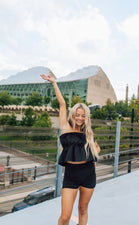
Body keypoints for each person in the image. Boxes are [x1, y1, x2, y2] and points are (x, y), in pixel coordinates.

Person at [41, 72, 100, 225]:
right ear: (73, 115)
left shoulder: (88, 133)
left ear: (86, 117)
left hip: (88, 174)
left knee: (82, 210)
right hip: (71, 176)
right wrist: (54, 83)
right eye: (77, 115)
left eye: (83, 116)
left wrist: (90, 157)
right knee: (65, 216)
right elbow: (62, 104)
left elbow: (97, 149)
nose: (80, 118)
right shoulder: (66, 127)